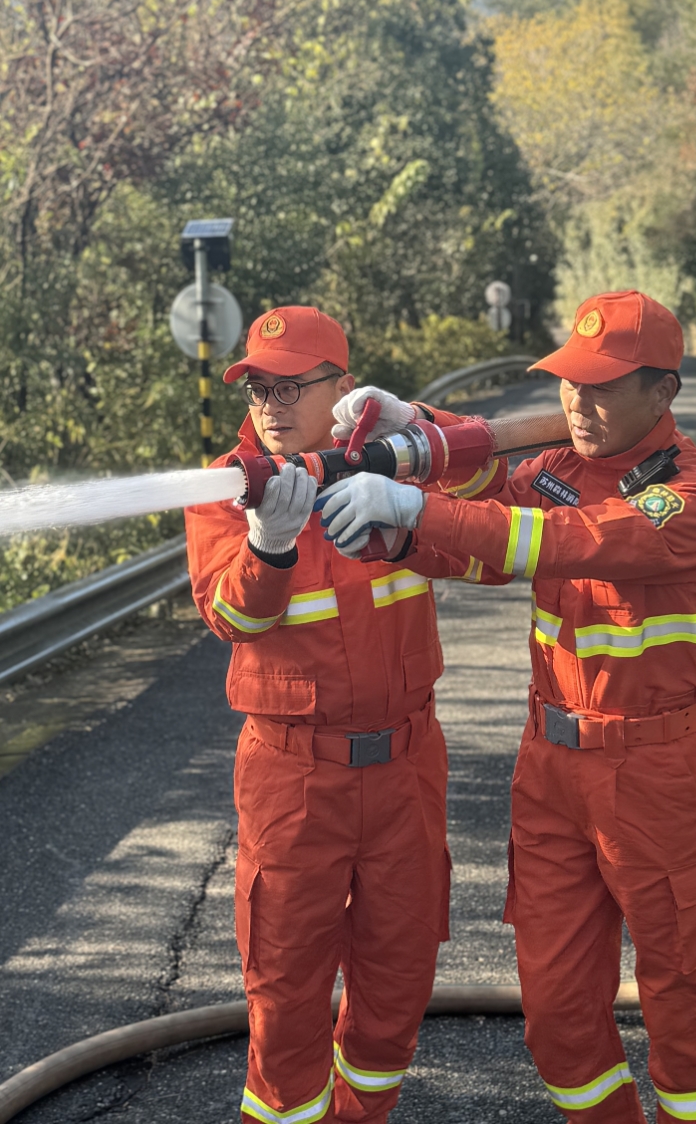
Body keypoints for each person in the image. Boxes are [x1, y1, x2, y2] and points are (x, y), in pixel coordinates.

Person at [318, 290, 696, 1124]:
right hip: (552, 771)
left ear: (664, 393)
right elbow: (489, 506)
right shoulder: (557, 469)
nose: (579, 405)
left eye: (604, 387)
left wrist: (413, 505)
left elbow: (559, 540)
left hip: (661, 775)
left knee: (688, 1022)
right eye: (569, 385)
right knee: (556, 1021)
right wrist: (413, 440)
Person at [184, 305, 465, 1124]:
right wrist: (268, 546)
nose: (270, 404)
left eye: (292, 386)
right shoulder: (226, 487)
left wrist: (419, 425)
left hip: (408, 768)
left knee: (398, 981)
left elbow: (489, 480)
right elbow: (228, 619)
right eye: (258, 387)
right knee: (286, 990)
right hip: (293, 776)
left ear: (343, 390)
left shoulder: (395, 469)